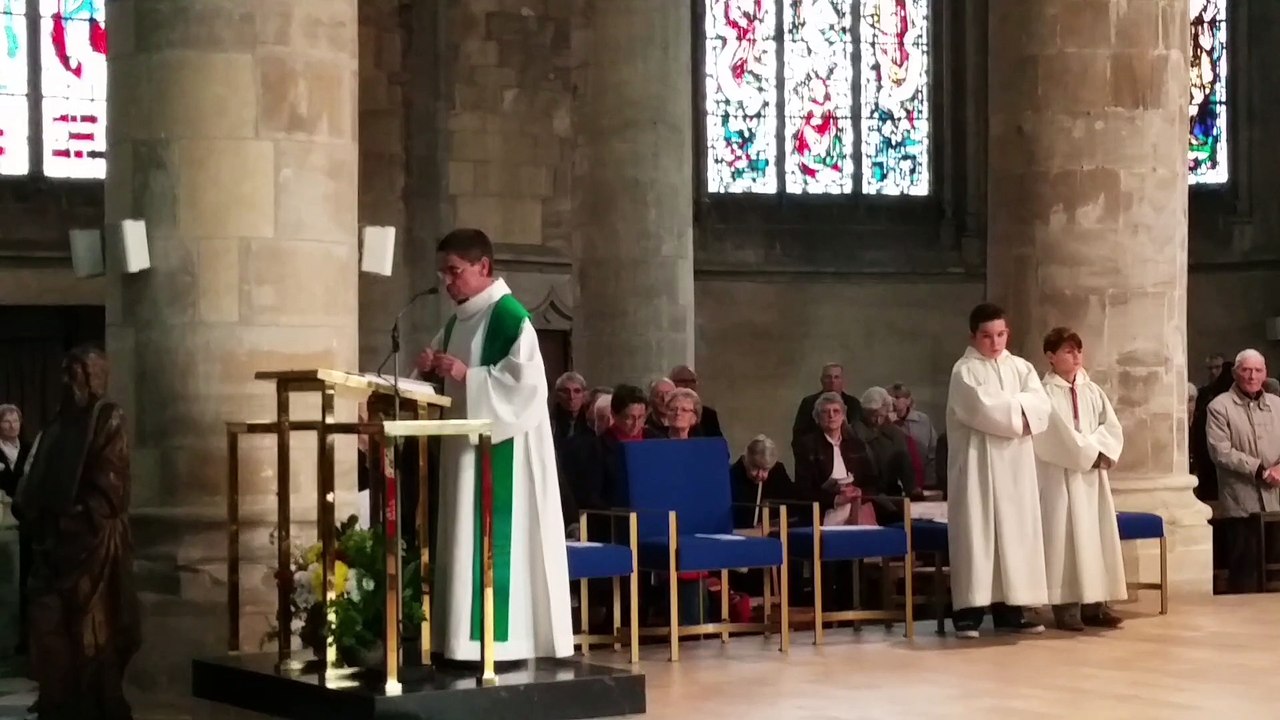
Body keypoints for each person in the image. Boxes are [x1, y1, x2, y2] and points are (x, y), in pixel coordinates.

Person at [415, 228, 572, 662]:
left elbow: (529, 387)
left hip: (505, 454)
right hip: (461, 451)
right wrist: (428, 368)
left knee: (495, 540)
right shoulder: (457, 321)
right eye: (443, 272)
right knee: (461, 538)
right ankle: (459, 640)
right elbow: (440, 382)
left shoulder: (509, 317)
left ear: (483, 266)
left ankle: (505, 642)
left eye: (454, 271)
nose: (447, 281)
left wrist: (469, 376)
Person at [17, 346, 140, 719]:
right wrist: (36, 513)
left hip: (93, 547)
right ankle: (57, 702)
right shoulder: (56, 424)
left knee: (92, 637)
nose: (65, 380)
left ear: (92, 375)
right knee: (48, 632)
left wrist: (72, 518)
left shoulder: (106, 418)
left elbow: (110, 487)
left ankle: (93, 706)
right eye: (64, 372)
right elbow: (35, 478)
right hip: (52, 547)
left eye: (73, 372)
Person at [945, 303, 1051, 638]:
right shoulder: (964, 372)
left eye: (1001, 334)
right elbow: (982, 409)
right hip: (977, 465)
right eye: (987, 336)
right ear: (973, 336)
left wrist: (1019, 412)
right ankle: (969, 612)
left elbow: (1041, 405)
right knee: (978, 535)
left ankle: (1012, 609)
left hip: (1016, 467)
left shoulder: (1022, 368)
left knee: (1015, 535)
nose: (995, 343)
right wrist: (1019, 414)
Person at [1031, 328, 1126, 631]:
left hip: (1091, 479)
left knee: (1095, 536)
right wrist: (1088, 453)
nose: (1076, 356)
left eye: (1078, 351)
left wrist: (1097, 451)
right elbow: (1053, 435)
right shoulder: (1043, 394)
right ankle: (1066, 607)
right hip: (1060, 477)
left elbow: (1110, 427)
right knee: (1065, 540)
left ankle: (1095, 605)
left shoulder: (1092, 390)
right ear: (1050, 356)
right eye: (1068, 351)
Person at [1206, 349, 1280, 593]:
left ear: (1265, 373)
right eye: (1246, 370)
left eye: (1258, 370)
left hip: (1276, 499)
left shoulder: (1277, 405)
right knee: (1246, 572)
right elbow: (1220, 451)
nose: (1252, 376)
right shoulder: (1219, 407)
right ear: (1235, 372)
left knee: (1276, 570)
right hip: (1241, 501)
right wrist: (1260, 470)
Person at [0, 404, 33, 655]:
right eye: (6, 421)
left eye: (16, 421)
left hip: (28, 519)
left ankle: (26, 636)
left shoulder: (30, 449)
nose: (12, 426)